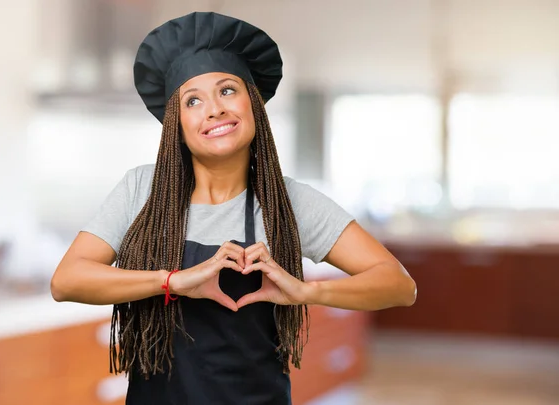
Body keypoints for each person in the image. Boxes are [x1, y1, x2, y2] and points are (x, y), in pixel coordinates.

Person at [50, 11, 416, 405]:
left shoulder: (287, 203)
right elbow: (67, 280)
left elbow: (399, 285)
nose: (214, 109)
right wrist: (174, 281)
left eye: (227, 90)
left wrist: (307, 290)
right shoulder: (142, 189)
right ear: (178, 123)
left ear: (252, 103)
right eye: (193, 100)